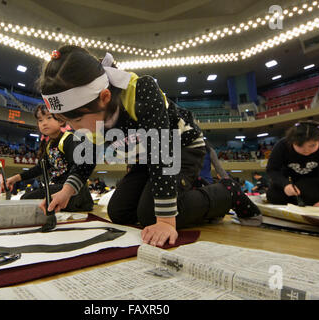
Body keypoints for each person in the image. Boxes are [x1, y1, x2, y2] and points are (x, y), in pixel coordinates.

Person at [37, 45, 261, 247]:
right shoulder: (93, 118)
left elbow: (162, 156)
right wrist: (65, 192)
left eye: (75, 121)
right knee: (119, 212)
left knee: (151, 214)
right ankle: (188, 189)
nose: (74, 129)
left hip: (179, 150)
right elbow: (88, 157)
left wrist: (165, 222)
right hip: (144, 160)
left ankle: (227, 193)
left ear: (104, 97)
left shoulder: (141, 90)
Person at [4, 104, 94, 212]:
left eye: (49, 117)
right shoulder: (49, 145)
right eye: (40, 120)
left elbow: (79, 168)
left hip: (74, 193)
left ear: (61, 121)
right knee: (26, 198)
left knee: (27, 199)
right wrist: (14, 179)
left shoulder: (69, 139)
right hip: (58, 188)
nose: (44, 123)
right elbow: (40, 168)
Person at [266, 121, 319, 207]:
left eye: (312, 145)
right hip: (290, 181)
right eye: (300, 146)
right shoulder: (282, 145)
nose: (306, 150)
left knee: (310, 194)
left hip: (313, 181)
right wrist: (285, 185)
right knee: (273, 195)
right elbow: (272, 169)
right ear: (291, 141)